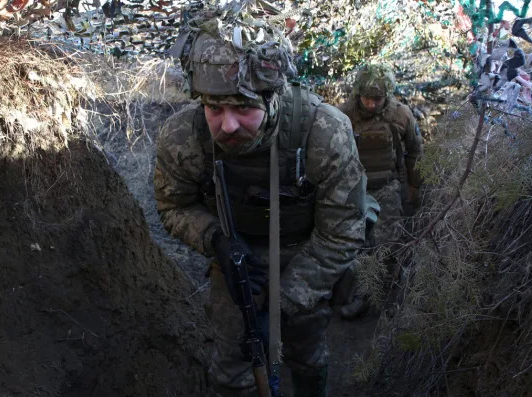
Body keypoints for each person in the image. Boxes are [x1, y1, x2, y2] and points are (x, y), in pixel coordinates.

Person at [154, 8, 366, 397]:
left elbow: (342, 234)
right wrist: (215, 238)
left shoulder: (324, 132)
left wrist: (284, 302)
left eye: (243, 108)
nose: (227, 125)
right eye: (214, 109)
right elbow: (173, 206)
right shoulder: (184, 136)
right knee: (231, 372)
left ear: (273, 99)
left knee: (307, 359)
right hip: (236, 266)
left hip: (307, 258)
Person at [336, 63, 423, 319]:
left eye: (377, 99)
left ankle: (394, 297)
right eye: (367, 98)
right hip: (354, 191)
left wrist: (414, 185)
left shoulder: (401, 115)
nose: (372, 104)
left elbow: (415, 152)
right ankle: (362, 294)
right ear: (357, 94)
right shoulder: (343, 115)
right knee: (357, 247)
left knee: (389, 245)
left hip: (387, 187)